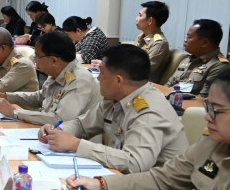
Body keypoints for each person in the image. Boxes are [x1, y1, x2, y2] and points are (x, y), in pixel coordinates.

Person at [67, 68, 230, 190]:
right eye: (208, 107)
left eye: (216, 110)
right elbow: (162, 179)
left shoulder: (150, 109)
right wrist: (102, 184)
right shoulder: (211, 143)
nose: (208, 116)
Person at [40, 44, 188, 174]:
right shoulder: (116, 98)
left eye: (102, 73)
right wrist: (58, 131)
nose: (98, 79)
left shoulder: (149, 111)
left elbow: (135, 163)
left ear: (118, 80)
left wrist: (76, 145)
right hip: (125, 180)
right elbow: (81, 125)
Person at [0, 31, 101, 125]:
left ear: (53, 60)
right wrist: (7, 96)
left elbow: (59, 119)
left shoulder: (79, 81)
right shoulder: (56, 73)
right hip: (49, 134)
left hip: (73, 142)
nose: (35, 60)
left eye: (37, 56)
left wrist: (15, 112)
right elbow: (40, 97)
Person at [167, 19, 228, 97]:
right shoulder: (187, 60)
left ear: (204, 43)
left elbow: (203, 99)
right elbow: (167, 86)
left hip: (184, 104)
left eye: (189, 37)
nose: (185, 40)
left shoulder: (219, 66)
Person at [135, 1, 170, 83]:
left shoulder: (159, 43)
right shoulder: (141, 37)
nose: (136, 18)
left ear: (150, 21)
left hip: (144, 85)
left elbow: (142, 71)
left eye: (140, 15)